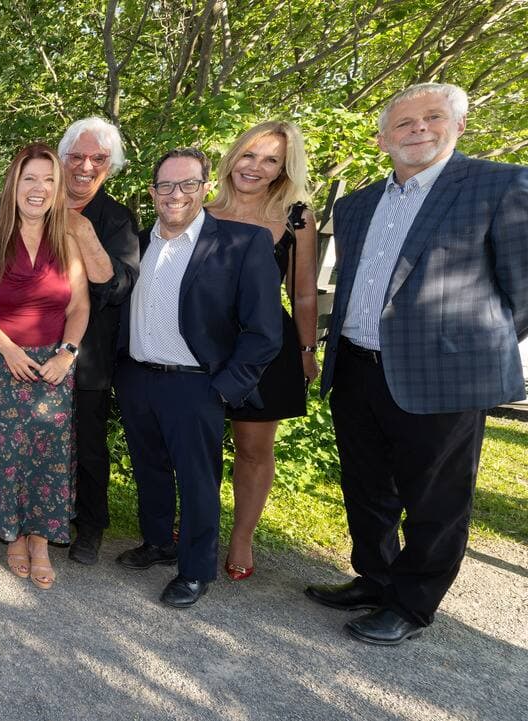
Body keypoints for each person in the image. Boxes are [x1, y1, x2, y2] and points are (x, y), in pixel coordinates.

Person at [306, 83, 528, 645]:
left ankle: (411, 602)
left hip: (445, 375)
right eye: (404, 123)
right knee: (367, 485)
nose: (418, 130)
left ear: (457, 126)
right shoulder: (355, 205)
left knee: (436, 496)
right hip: (357, 365)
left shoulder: (498, 185)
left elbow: (523, 292)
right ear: (383, 139)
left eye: (432, 118)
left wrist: (469, 350)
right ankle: (375, 576)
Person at [113, 148, 282, 608]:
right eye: (165, 185)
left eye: (188, 184)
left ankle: (195, 569)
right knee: (149, 469)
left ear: (206, 187)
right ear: (152, 193)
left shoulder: (242, 243)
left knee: (197, 480)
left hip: (197, 384)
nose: (176, 194)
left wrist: (226, 387)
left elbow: (265, 331)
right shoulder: (135, 242)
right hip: (137, 376)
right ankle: (157, 542)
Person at [0, 143, 90, 590]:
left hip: (54, 365)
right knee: (7, 452)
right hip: (1, 363)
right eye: (30, 179)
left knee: (49, 456)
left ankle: (41, 540)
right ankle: (12, 535)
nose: (39, 189)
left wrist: (67, 353)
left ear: (57, 190)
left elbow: (79, 306)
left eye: (48, 180)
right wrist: (8, 350)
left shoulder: (67, 242)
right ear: (15, 184)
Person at [204, 121, 320, 580]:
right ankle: (199, 523)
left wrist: (308, 350)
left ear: (282, 170)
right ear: (233, 156)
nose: (255, 167)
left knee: (253, 448)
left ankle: (242, 536)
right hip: (201, 346)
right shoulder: (201, 210)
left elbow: (305, 291)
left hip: (265, 347)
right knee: (198, 445)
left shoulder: (296, 217)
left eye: (270, 159)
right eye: (249, 155)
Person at [57, 117, 141, 565]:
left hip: (87, 355)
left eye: (98, 158)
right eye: (77, 155)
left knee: (88, 445)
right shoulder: (36, 201)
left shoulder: (117, 219)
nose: (85, 166)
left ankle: (89, 526)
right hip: (31, 348)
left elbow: (118, 287)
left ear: (110, 166)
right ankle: (37, 518)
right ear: (62, 158)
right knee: (35, 437)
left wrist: (82, 229)